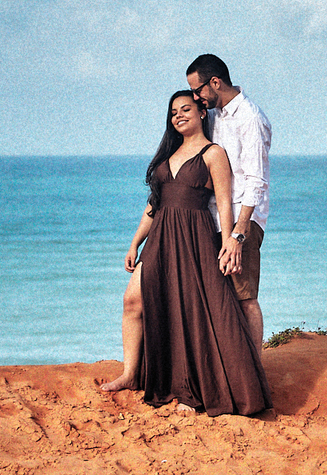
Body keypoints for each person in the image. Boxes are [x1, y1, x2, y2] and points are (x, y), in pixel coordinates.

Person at [102, 90, 272, 416]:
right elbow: (154, 206)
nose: (178, 115)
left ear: (201, 113)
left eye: (185, 109)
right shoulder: (167, 157)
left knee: (191, 315)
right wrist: (135, 242)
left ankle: (193, 386)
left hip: (194, 238)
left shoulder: (213, 153)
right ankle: (129, 373)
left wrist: (228, 240)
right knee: (132, 300)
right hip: (161, 238)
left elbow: (223, 200)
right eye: (173, 112)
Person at [185, 54, 272, 347]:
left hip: (240, 221)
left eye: (198, 90)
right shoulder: (214, 115)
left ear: (215, 82)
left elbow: (255, 181)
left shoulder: (250, 118)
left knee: (244, 295)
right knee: (217, 296)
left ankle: (254, 370)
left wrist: (238, 235)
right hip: (215, 217)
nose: (196, 97)